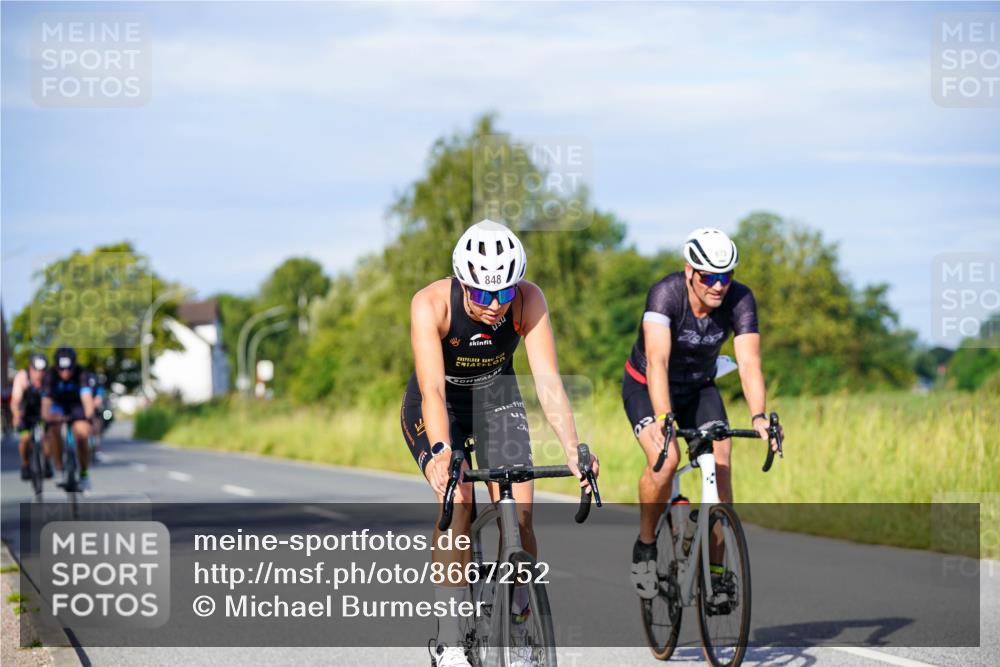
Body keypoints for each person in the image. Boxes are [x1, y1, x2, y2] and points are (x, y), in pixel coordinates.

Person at [401, 219, 598, 667]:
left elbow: (548, 382)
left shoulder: (529, 300)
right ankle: (450, 639)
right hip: (440, 406)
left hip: (495, 399)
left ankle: (520, 623)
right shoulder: (430, 304)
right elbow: (431, 390)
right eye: (483, 294)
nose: (494, 305)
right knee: (461, 501)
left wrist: (572, 447)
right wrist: (440, 454)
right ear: (461, 282)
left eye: (504, 293)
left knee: (522, 514)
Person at [623, 228, 780, 598]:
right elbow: (657, 362)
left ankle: (716, 569)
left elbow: (749, 363)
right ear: (689, 270)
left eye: (726, 277)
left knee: (721, 460)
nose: (718, 286)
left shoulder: (740, 299)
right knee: (666, 460)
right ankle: (646, 545)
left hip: (698, 388)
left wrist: (758, 416)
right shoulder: (666, 294)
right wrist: (664, 419)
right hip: (647, 387)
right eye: (709, 276)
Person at [42, 347, 97, 491]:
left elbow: (86, 398)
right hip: (58, 405)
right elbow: (46, 400)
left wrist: (89, 417)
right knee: (54, 429)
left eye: (69, 369)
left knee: (82, 433)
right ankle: (60, 468)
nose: (65, 373)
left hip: (76, 405)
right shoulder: (50, 375)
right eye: (61, 369)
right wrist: (46, 418)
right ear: (56, 366)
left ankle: (84, 473)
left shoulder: (82, 373)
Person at [10, 353, 53, 481]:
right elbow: (15, 400)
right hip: (26, 412)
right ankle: (25, 464)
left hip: (43, 411)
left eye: (42, 370)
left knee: (48, 437)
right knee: (25, 438)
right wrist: (16, 414)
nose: (39, 374)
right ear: (30, 368)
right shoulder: (22, 377)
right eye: (36, 370)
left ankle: (47, 462)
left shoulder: (48, 379)